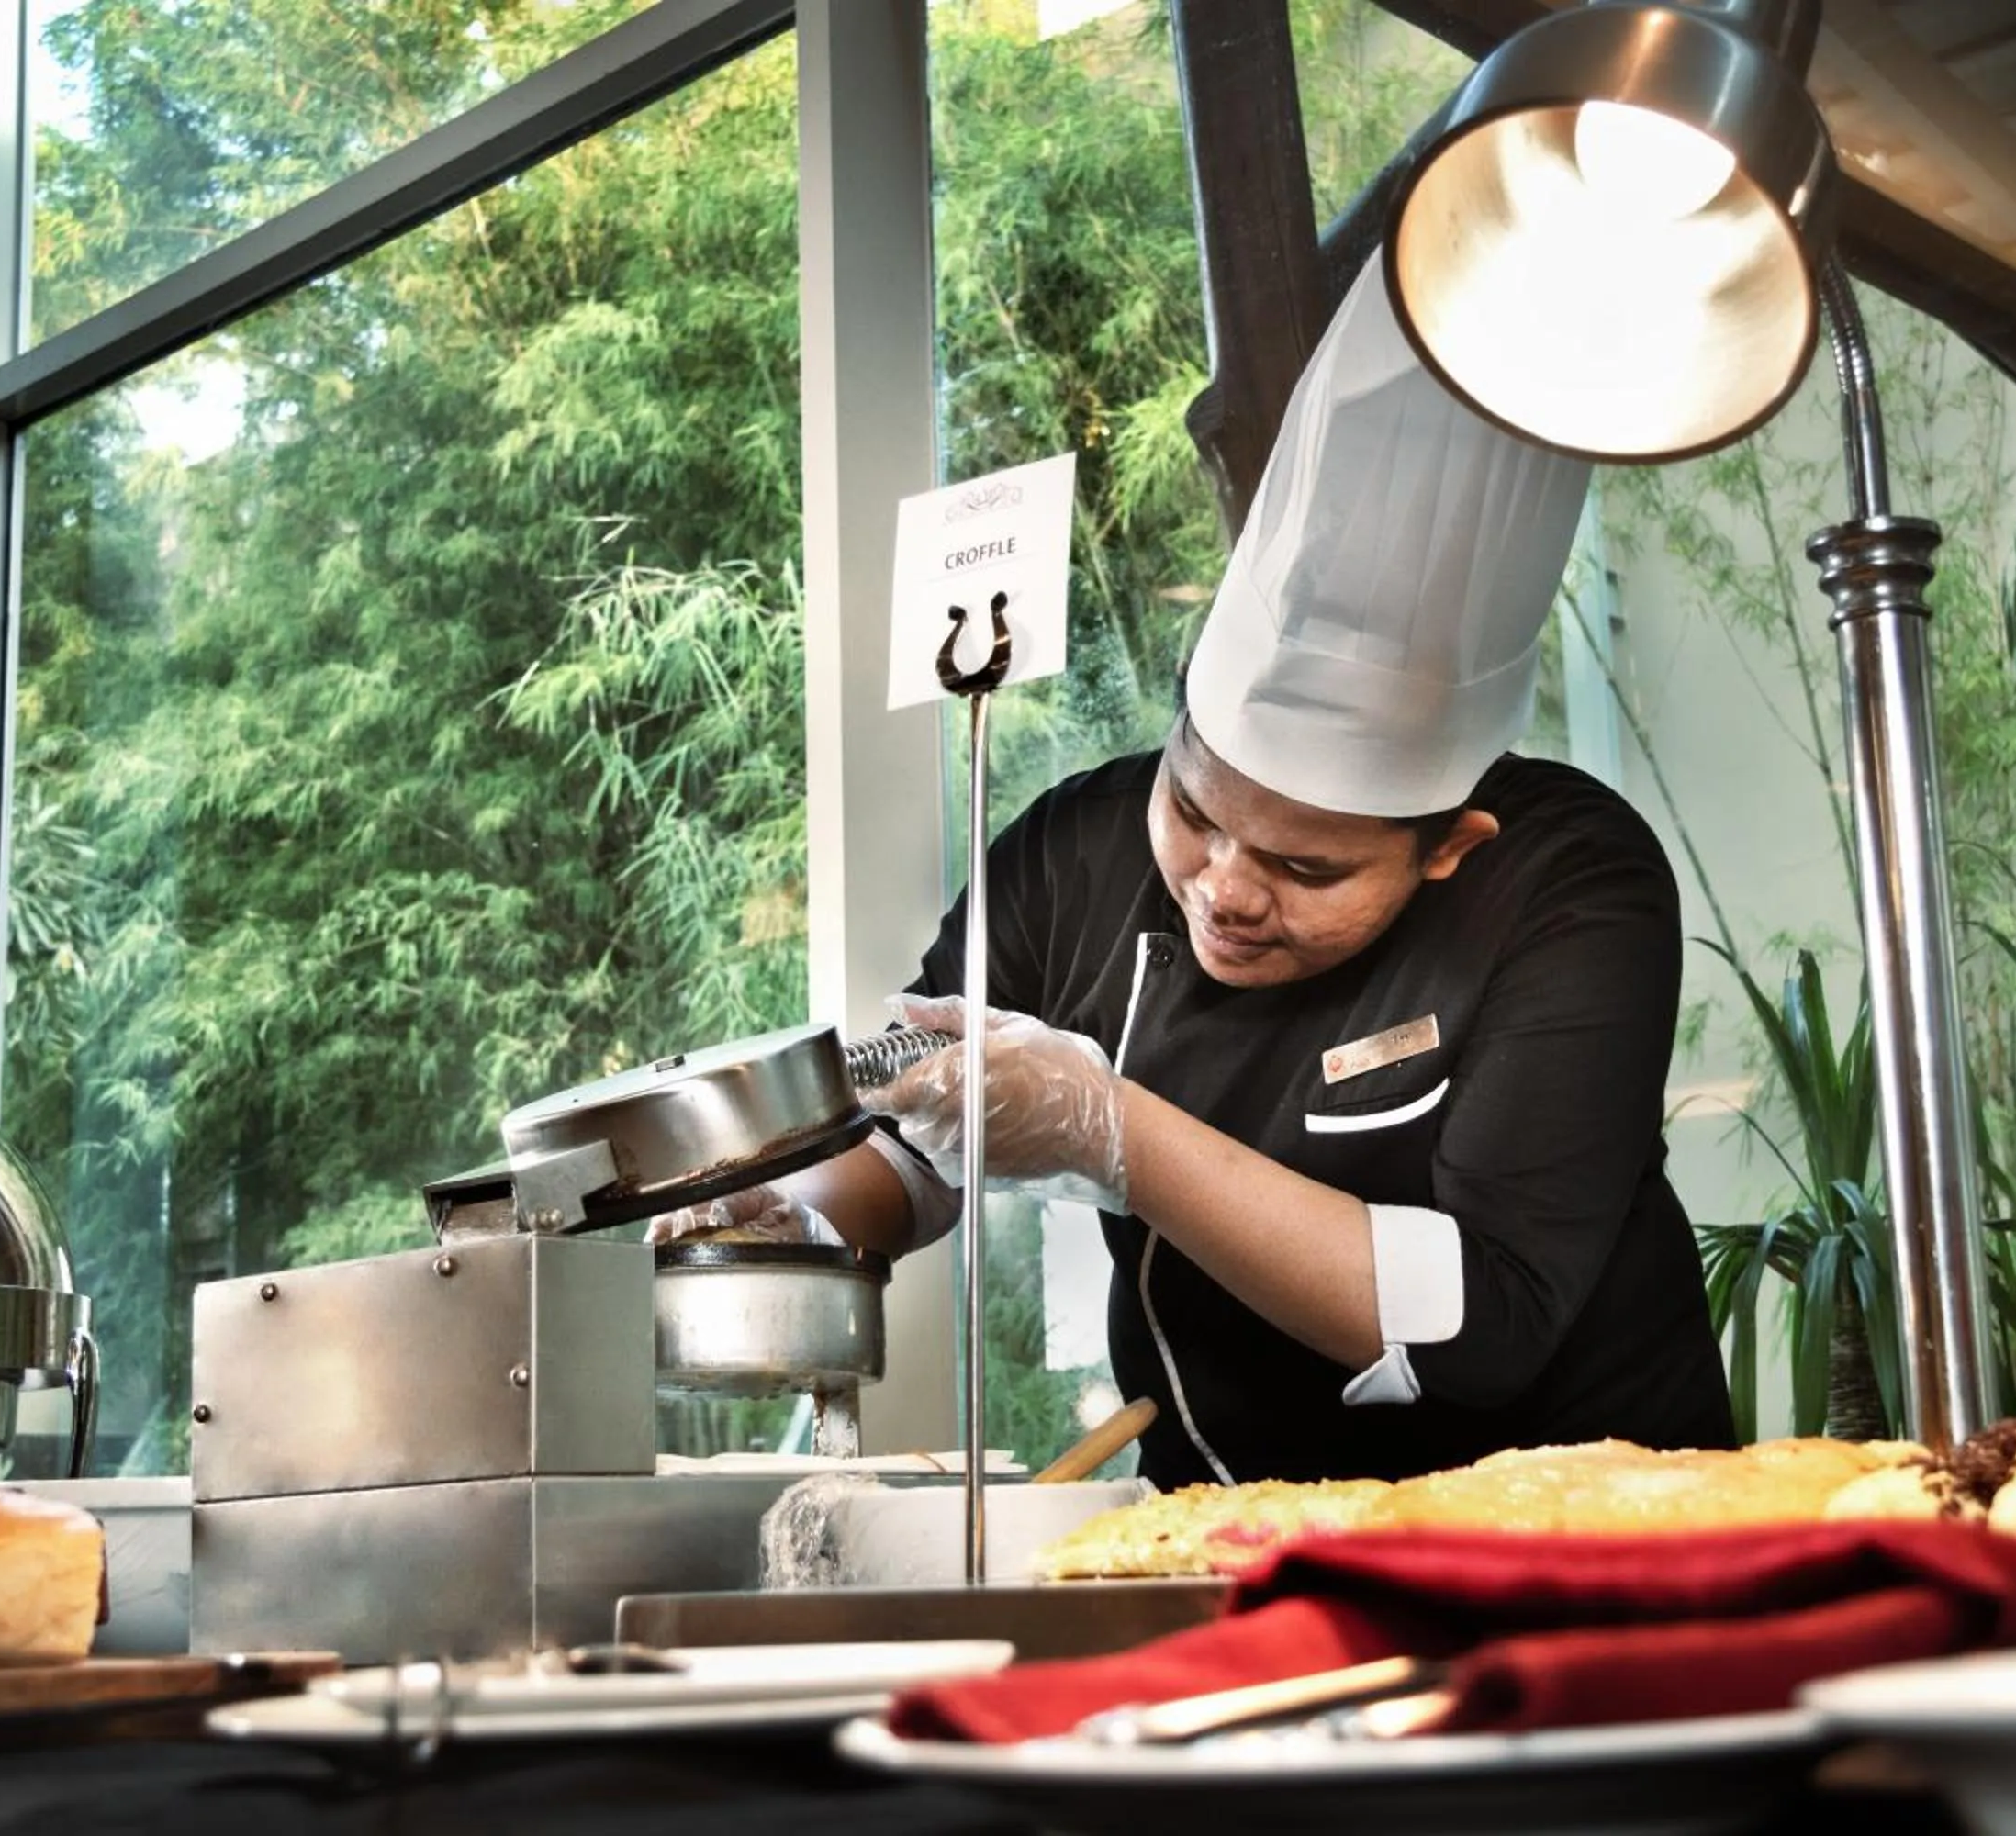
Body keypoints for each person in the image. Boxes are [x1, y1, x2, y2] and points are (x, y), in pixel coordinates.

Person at [672, 253, 1733, 1488]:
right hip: (1224, 1535)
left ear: (1449, 846)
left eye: (1303, 865)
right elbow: (913, 1139)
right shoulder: (1079, 847)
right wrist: (777, 1221)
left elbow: (1481, 1323)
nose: (1225, 887)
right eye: (1194, 809)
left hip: (1595, 1537)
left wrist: (1107, 1129)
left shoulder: (1571, 883)